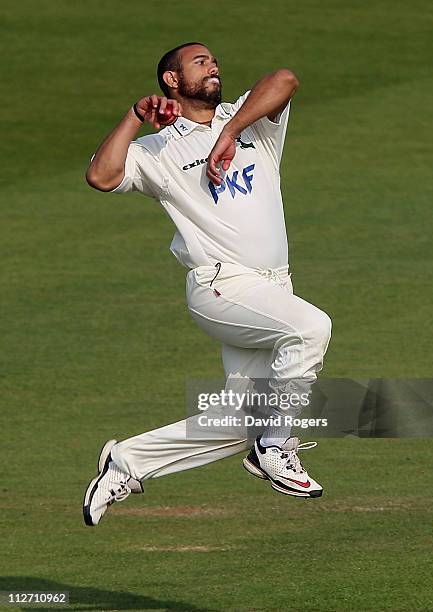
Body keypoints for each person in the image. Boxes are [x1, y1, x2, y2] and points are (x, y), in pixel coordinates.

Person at [83, 42, 332, 527]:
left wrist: (230, 134)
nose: (213, 65)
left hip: (272, 289)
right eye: (199, 62)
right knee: (310, 329)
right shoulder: (158, 150)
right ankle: (276, 445)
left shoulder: (249, 119)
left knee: (240, 421)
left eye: (214, 59)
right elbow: (100, 175)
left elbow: (285, 76)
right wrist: (134, 116)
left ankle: (127, 462)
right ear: (172, 82)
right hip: (221, 285)